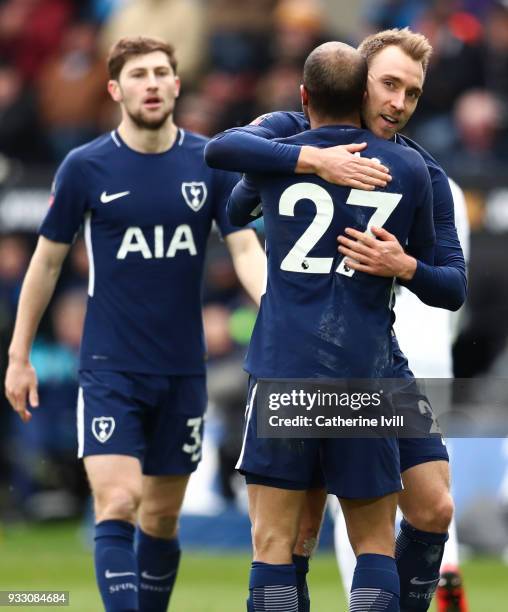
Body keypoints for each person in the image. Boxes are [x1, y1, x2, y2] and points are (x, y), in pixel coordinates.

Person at [206, 27, 468, 612]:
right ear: (357, 81)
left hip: (368, 359)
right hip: (348, 365)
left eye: (414, 93)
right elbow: (228, 164)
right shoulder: (290, 135)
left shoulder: (418, 168)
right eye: (390, 85)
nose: (399, 103)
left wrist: (405, 266)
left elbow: (452, 285)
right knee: (302, 533)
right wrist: (309, 159)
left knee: (433, 507)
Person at [4, 36, 266, 612]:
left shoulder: (209, 162)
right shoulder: (86, 166)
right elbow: (46, 262)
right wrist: (19, 353)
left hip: (181, 370)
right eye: (138, 74)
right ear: (115, 90)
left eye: (160, 73)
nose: (150, 83)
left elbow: (244, 247)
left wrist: (275, 309)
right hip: (109, 366)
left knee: (162, 517)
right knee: (118, 501)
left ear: (176, 84)